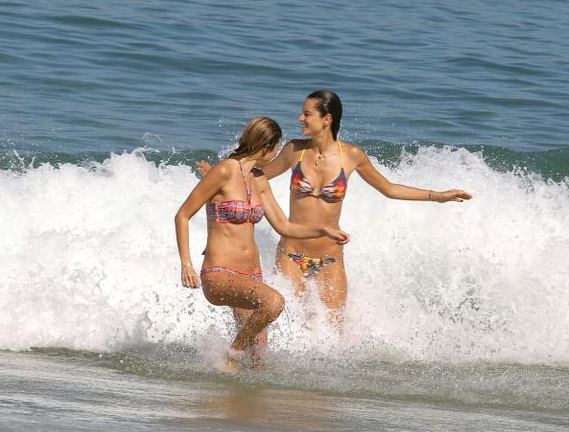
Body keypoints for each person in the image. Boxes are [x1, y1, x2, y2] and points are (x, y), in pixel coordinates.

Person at [198, 90, 472, 328]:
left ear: (326, 119)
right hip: (291, 255)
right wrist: (219, 184)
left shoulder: (351, 156)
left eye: (307, 114)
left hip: (331, 259)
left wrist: (438, 196)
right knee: (287, 322)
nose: (300, 119)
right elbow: (256, 176)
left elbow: (390, 189)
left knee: (335, 329)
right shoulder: (295, 150)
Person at [175, 117, 349, 372]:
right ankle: (231, 354)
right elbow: (182, 215)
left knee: (259, 356)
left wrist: (322, 229)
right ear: (267, 147)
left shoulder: (258, 179)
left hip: (251, 275)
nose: (279, 153)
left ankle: (242, 403)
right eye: (277, 147)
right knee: (273, 303)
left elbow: (284, 225)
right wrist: (186, 264)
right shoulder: (224, 171)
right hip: (220, 272)